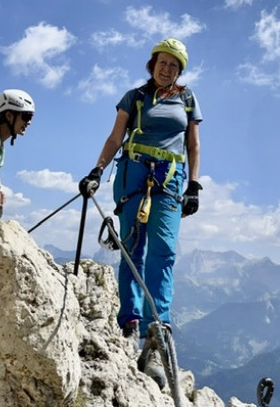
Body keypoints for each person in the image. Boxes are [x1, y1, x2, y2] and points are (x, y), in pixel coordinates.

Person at [80, 38, 203, 339]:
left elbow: (193, 145)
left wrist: (194, 185)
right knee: (132, 248)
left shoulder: (187, 99)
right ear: (153, 65)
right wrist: (97, 169)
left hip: (170, 176)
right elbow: (115, 137)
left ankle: (157, 324)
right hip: (133, 174)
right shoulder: (134, 97)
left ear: (179, 71)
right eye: (163, 63)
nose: (167, 69)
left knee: (164, 250)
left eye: (173, 65)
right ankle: (130, 320)